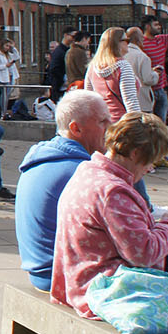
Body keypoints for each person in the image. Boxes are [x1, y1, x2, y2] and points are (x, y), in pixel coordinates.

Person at [50, 113, 168, 334]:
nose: (149, 169)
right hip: (107, 293)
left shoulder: (88, 171)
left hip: (80, 282)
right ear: (135, 153)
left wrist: (156, 227)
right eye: (150, 161)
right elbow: (143, 254)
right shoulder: (114, 191)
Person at [14, 90, 112, 291]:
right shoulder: (79, 171)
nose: (111, 127)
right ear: (76, 129)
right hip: (63, 276)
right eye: (103, 122)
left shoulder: (44, 157)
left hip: (42, 271)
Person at [138, 15, 168, 124]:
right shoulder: (141, 44)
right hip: (147, 89)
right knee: (147, 124)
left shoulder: (162, 39)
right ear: (147, 26)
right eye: (156, 25)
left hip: (161, 88)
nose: (159, 27)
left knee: (161, 124)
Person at [85, 27, 140, 120]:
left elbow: (89, 97)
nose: (128, 43)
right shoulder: (123, 66)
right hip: (121, 123)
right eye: (126, 40)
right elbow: (131, 100)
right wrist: (138, 122)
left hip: (102, 121)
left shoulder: (93, 67)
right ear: (117, 43)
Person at [122, 26, 158, 114]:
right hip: (142, 101)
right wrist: (155, 74)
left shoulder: (121, 55)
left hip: (124, 101)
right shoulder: (142, 57)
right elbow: (148, 79)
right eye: (142, 37)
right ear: (138, 39)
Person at [0, 39, 20, 117]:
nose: (7, 48)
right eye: (6, 46)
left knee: (7, 96)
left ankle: (4, 111)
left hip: (10, 76)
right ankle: (3, 112)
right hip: (3, 78)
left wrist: (13, 48)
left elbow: (17, 57)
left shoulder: (8, 54)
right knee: (4, 96)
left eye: (8, 46)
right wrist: (5, 66)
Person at [47, 27, 73, 100]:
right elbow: (54, 69)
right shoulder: (59, 51)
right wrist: (63, 81)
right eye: (72, 36)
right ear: (65, 35)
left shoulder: (67, 50)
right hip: (60, 87)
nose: (74, 38)